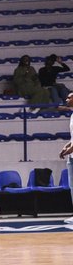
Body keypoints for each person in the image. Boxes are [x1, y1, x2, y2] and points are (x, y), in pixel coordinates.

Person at [61, 93, 73, 225]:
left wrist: (70, 149)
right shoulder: (72, 115)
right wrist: (66, 146)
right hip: (72, 156)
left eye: (69, 97)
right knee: (72, 187)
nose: (67, 99)